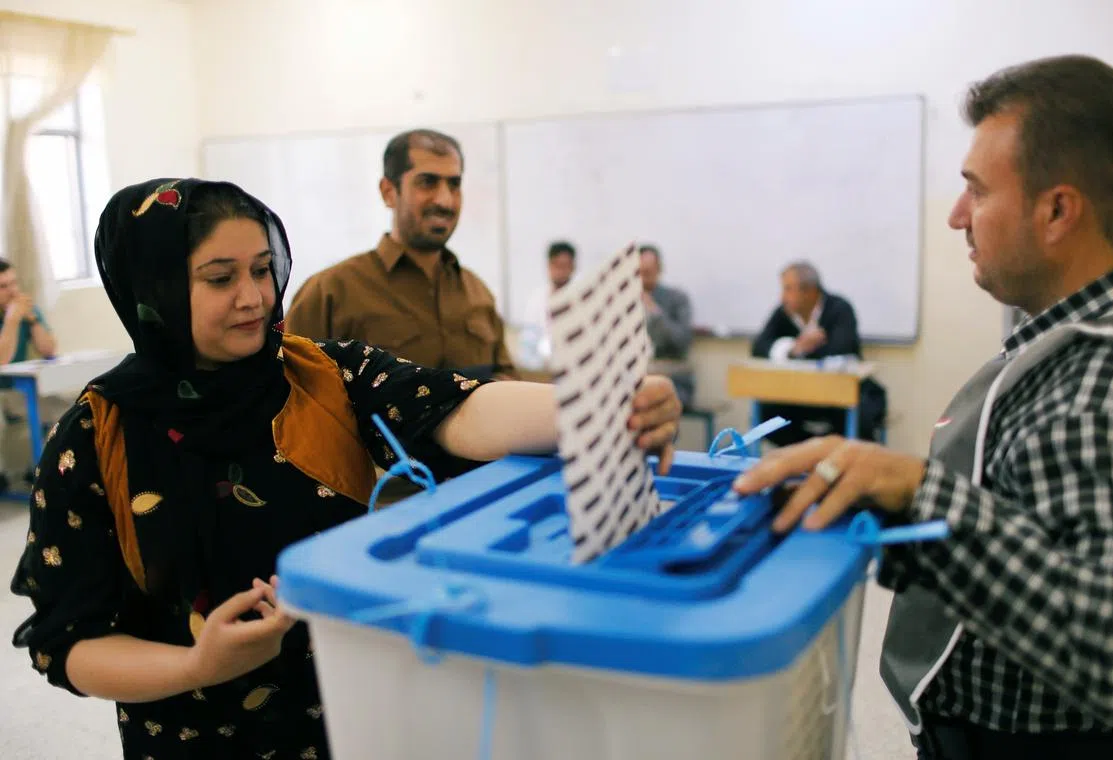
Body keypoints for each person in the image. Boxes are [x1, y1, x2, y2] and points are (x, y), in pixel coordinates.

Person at [8, 178, 682, 760]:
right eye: (220, 278)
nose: (255, 296)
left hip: (361, 716)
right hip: (197, 735)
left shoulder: (320, 373)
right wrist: (197, 664)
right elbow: (69, 643)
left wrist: (600, 405)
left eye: (263, 268)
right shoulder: (99, 436)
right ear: (152, 287)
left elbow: (458, 409)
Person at [733, 55, 1113, 759]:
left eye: (975, 191)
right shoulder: (1067, 337)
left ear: (1057, 211)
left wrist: (920, 491)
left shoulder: (1106, 375)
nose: (956, 217)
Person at [285, 128, 515, 381]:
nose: (445, 200)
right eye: (427, 182)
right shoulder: (329, 292)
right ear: (388, 192)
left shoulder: (478, 294)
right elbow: (291, 394)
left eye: (454, 184)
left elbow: (507, 382)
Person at [750, 261, 885, 445]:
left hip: (843, 394)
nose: (783, 297)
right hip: (800, 394)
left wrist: (801, 352)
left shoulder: (839, 308)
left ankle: (833, 455)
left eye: (788, 289)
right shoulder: (784, 313)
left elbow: (841, 349)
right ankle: (808, 454)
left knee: (861, 420)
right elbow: (759, 347)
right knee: (766, 415)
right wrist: (794, 348)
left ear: (810, 291)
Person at [0, 258, 62, 489]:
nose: (12, 291)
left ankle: (37, 470)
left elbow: (48, 350)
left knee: (65, 411)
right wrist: (12, 320)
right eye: (3, 287)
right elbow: (1, 360)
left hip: (20, 390)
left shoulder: (25, 310)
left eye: (14, 283)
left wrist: (32, 319)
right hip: (3, 392)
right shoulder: (12, 316)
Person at [637, 244, 694, 408]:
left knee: (650, 402)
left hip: (672, 378)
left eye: (648, 272)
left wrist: (654, 312)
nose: (643, 278)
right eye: (640, 272)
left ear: (659, 269)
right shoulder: (624, 302)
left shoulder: (677, 298)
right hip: (638, 376)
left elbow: (682, 340)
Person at [518, 240, 576, 370]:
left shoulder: (581, 299)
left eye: (565, 265)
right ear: (549, 266)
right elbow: (527, 349)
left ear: (573, 267)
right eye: (557, 265)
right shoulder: (536, 301)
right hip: (543, 372)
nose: (561, 271)